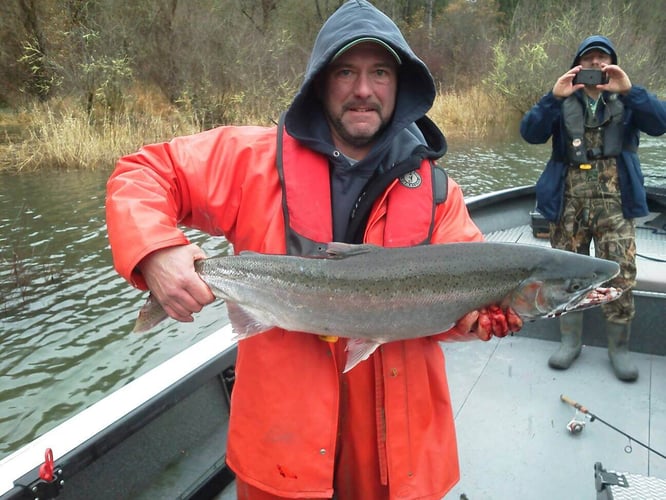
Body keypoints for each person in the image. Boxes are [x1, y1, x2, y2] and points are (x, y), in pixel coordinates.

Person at [107, 1, 522, 498]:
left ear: (400, 85)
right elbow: (144, 173)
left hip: (400, 456)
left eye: (380, 72)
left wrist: (472, 324)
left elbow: (451, 314)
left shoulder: (438, 194)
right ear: (321, 81)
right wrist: (155, 252)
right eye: (346, 70)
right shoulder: (249, 161)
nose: (363, 89)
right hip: (282, 445)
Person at [520, 35, 666, 382]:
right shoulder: (560, 101)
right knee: (563, 272)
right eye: (590, 59)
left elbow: (660, 123)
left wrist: (632, 91)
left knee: (620, 270)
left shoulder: (629, 101)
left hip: (614, 202)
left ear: (612, 64)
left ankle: (619, 348)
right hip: (569, 200)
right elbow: (529, 133)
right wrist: (551, 98)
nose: (596, 65)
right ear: (578, 66)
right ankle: (570, 341)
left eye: (603, 59)